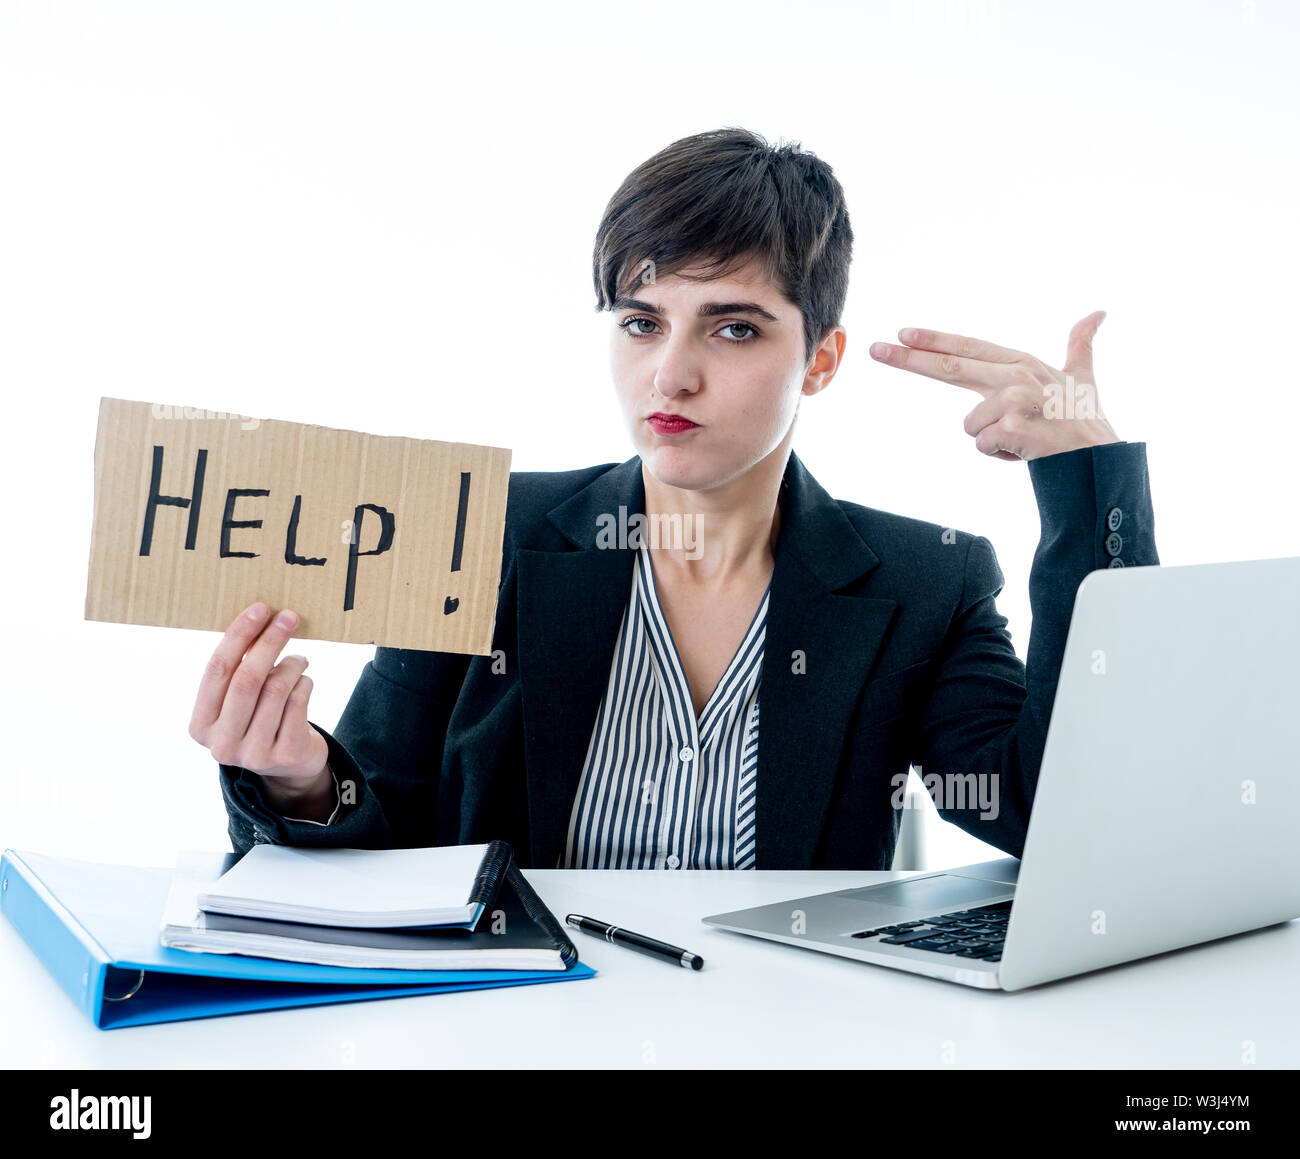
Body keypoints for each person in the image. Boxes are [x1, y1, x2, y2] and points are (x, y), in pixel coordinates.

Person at [190, 127, 1158, 869]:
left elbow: (1058, 816)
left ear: (818, 361)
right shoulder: (483, 535)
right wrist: (303, 779)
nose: (671, 376)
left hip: (783, 1035)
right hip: (511, 1026)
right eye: (642, 322)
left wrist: (1087, 486)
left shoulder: (923, 579)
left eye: (732, 330)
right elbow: (379, 831)